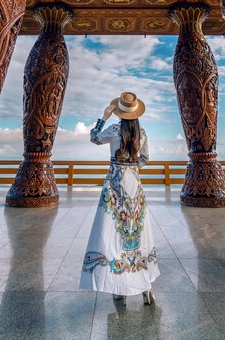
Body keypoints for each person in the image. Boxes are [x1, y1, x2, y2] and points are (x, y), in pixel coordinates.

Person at [79, 92, 160, 305]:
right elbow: (145, 158)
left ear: (120, 112)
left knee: (115, 232)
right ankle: (146, 287)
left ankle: (120, 287)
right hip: (135, 185)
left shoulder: (114, 130)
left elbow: (94, 138)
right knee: (137, 230)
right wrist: (132, 168)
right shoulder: (142, 132)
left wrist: (104, 117)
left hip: (115, 184)